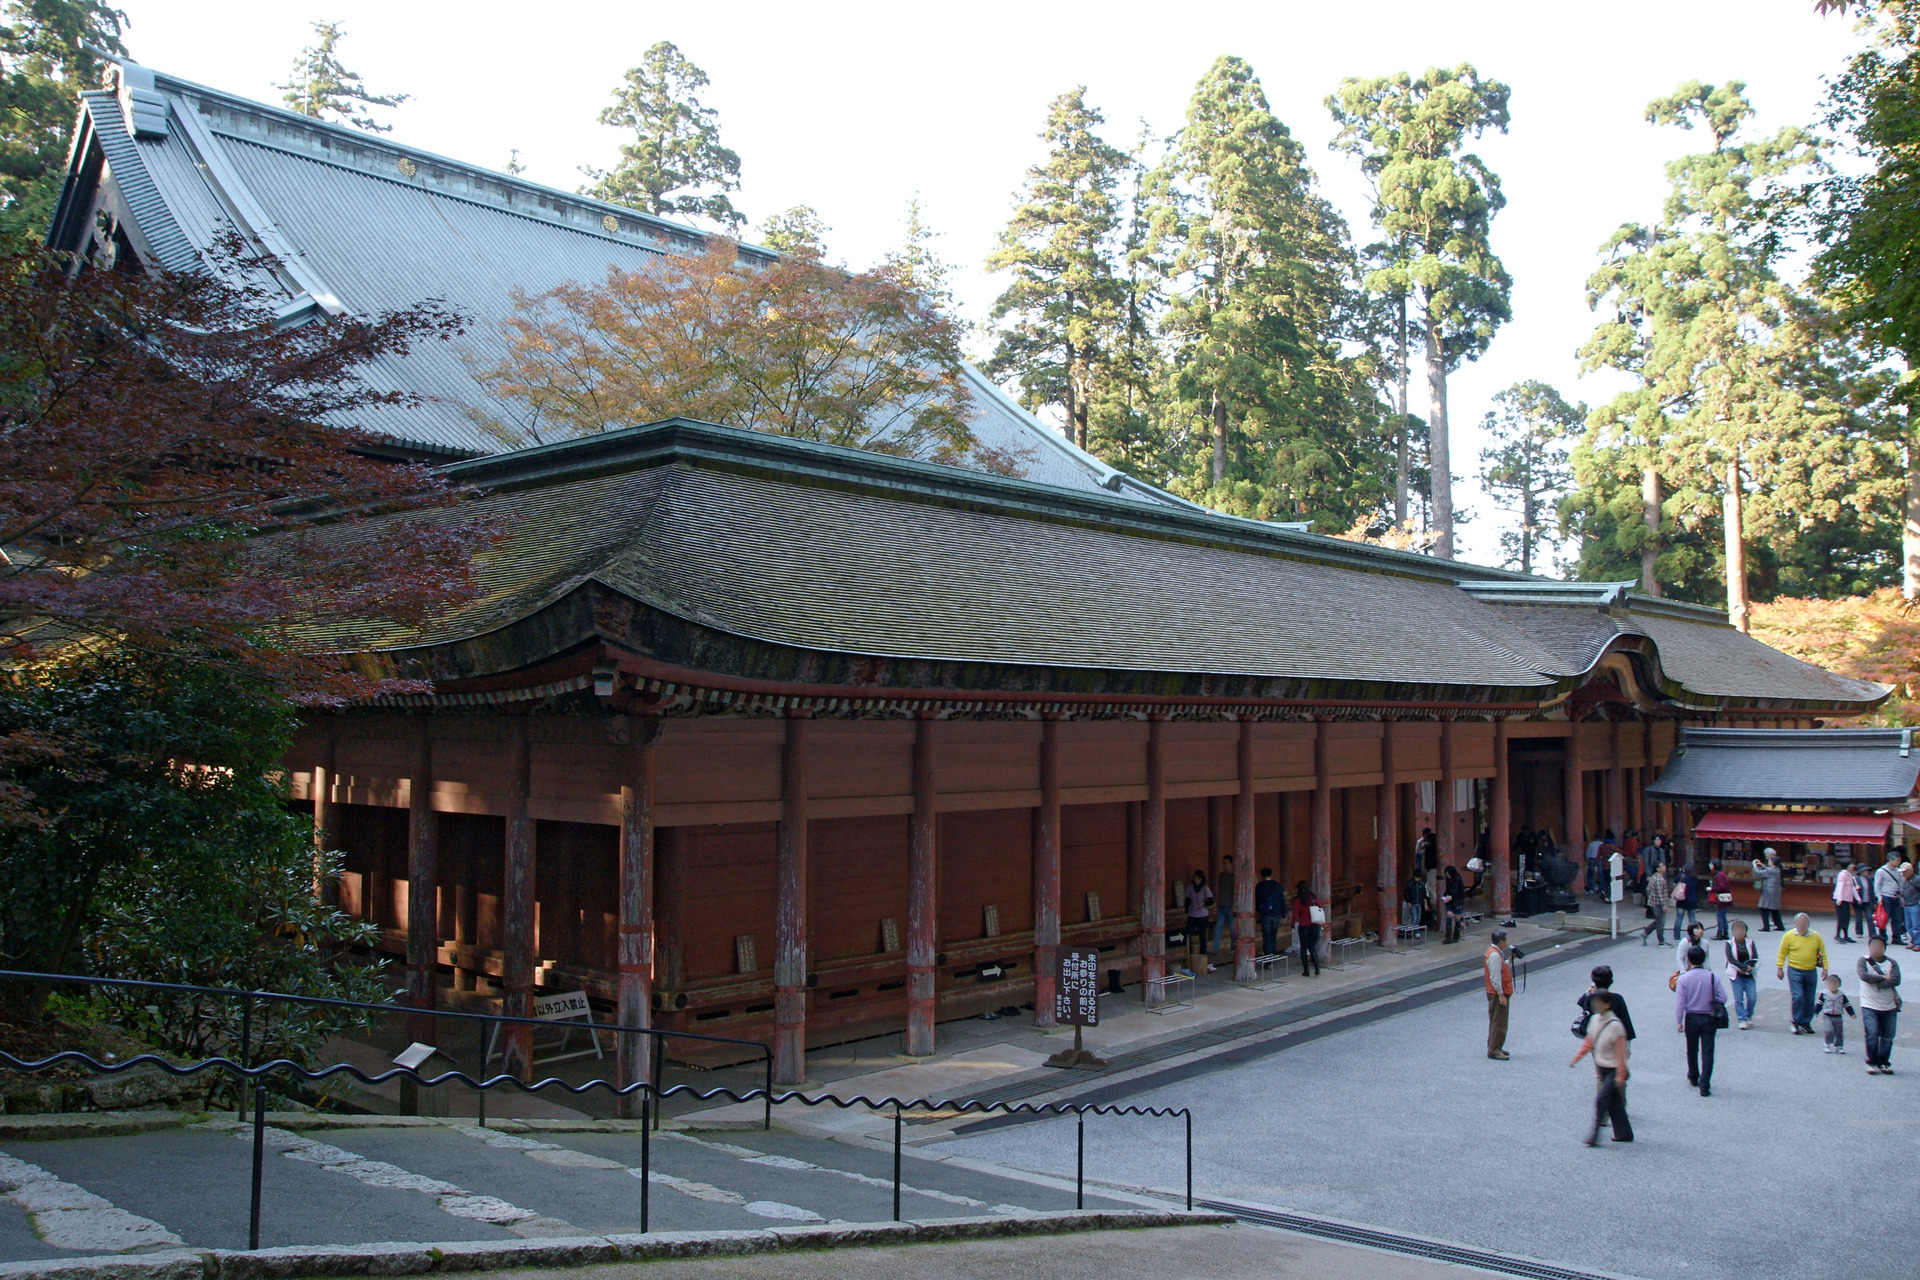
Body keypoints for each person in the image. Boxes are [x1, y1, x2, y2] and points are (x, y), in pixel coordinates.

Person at [1570, 989, 1632, 1145]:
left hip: (1614, 1070)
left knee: (1601, 1100)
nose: (1594, 1005)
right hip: (1602, 1067)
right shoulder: (1595, 1020)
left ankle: (1594, 1134)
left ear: (1608, 1004)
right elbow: (1589, 1042)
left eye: (1598, 1002)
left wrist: (1620, 1075)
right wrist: (1577, 1057)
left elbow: (1620, 1053)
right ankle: (1625, 1133)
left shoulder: (1616, 1026)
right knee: (1614, 1103)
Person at [1674, 944, 1730, 1096]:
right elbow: (1723, 998)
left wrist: (1679, 1021)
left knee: (1692, 1049)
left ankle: (1693, 1075)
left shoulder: (1684, 979)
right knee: (1707, 1050)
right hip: (1708, 1017)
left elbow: (1680, 1003)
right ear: (1704, 959)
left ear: (1689, 960)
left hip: (1691, 1017)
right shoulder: (1712, 977)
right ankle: (1705, 1084)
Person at [1777, 912, 1831, 1035]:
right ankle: (1796, 1021)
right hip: (1795, 970)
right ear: (1795, 924)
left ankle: (1806, 1022)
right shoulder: (1789, 936)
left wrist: (1825, 968)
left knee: (1809, 998)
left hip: (1811, 970)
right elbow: (1782, 953)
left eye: (1805, 923)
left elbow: (1823, 953)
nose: (1802, 926)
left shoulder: (1815, 936)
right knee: (1798, 996)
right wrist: (1779, 968)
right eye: (1800, 923)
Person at [1857, 936, 1902, 1075]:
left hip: (1889, 1005)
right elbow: (1864, 976)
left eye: (1880, 946)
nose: (1876, 948)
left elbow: (1896, 979)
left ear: (1884, 948)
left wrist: (1879, 984)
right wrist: (1883, 978)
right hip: (1869, 1004)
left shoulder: (1891, 963)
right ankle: (1871, 1061)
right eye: (1874, 946)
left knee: (1888, 1037)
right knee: (1872, 1033)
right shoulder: (1863, 961)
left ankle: (1883, 1062)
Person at [1576, 965, 1636, 1043]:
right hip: (1615, 1040)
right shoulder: (1617, 999)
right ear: (1611, 981)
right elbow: (1626, 1023)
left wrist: (1589, 990)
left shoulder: (1589, 998)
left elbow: (1580, 1002)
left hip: (1596, 1040)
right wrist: (1627, 1045)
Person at [1725, 919, 1761, 1030]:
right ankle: (1742, 1019)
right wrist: (1742, 968)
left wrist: (1749, 967)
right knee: (1738, 998)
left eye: (1742, 930)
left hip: (1749, 974)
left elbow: (1754, 957)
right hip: (1736, 974)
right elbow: (1731, 959)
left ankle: (1749, 1014)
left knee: (1752, 997)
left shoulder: (1750, 943)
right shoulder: (1729, 944)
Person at [1484, 928, 1514, 1060]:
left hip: (1495, 992)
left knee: (1497, 1020)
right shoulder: (1495, 955)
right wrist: (1501, 995)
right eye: (1506, 939)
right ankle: (1494, 1049)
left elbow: (1501, 969)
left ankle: (1496, 1046)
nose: (1508, 941)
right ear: (1501, 941)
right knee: (1499, 1022)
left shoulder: (1494, 952)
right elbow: (1495, 978)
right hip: (1497, 993)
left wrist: (1511, 960)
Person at [1813, 973, 1856, 1054]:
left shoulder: (1841, 995)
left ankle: (1839, 1046)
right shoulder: (1824, 994)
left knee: (1839, 1031)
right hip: (1827, 1015)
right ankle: (1827, 1043)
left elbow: (1847, 1005)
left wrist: (1852, 1013)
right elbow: (1819, 1003)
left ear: (1839, 985)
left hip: (1838, 1016)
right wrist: (1816, 1011)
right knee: (1829, 1030)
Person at [1183, 870, 1214, 974]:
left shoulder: (1205, 889)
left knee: (1202, 936)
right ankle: (1189, 955)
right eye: (1195, 878)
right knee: (1188, 934)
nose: (1197, 880)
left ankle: (1202, 956)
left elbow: (1211, 901)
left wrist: (1204, 903)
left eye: (1198, 879)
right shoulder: (1190, 888)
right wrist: (1186, 909)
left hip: (1203, 915)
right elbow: (1187, 900)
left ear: (1201, 879)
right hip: (1192, 914)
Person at [1290, 881, 1322, 977]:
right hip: (1315, 925)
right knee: (1312, 947)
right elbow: (1320, 907)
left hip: (1304, 925)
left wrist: (1292, 925)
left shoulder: (1298, 900)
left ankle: (1306, 971)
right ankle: (1317, 968)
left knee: (1303, 948)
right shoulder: (1313, 898)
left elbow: (1295, 913)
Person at [1873, 852, 1904, 945]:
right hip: (1885, 896)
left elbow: (1901, 884)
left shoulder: (1898, 871)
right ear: (1891, 860)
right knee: (1884, 918)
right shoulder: (1881, 871)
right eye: (1897, 860)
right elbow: (1877, 885)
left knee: (1897, 918)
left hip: (1896, 897)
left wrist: (1901, 895)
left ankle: (1896, 937)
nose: (1899, 862)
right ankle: (1882, 937)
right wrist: (1879, 897)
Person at [1254, 868, 1284, 958]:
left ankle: (1268, 958)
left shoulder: (1259, 886)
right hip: (1276, 914)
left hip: (1265, 914)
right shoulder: (1277, 886)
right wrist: (1284, 914)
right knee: (1273, 936)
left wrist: (1259, 911)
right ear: (1271, 874)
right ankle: (1272, 955)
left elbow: (1257, 901)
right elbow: (1282, 900)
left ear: (1261, 875)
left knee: (1266, 937)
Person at [1753, 849, 1785, 933]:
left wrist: (1755, 866)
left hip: (1768, 891)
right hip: (1775, 891)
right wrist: (1762, 865)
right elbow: (1768, 869)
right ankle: (1779, 925)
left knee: (1763, 907)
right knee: (1774, 909)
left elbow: (1758, 873)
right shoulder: (1777, 869)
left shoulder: (1770, 870)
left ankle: (1766, 926)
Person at [1834, 861, 1862, 944]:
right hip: (1841, 899)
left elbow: (1852, 887)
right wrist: (1839, 898)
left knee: (1847, 917)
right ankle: (1838, 935)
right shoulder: (1842, 874)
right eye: (1851, 864)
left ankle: (1846, 935)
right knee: (1841, 917)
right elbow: (1840, 886)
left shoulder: (1850, 875)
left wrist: (1857, 898)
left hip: (1847, 899)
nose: (1853, 865)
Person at [1642, 863, 1669, 947]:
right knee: (1660, 922)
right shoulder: (1659, 880)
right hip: (1658, 904)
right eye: (1662, 866)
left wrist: (1651, 896)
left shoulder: (1654, 877)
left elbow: (1648, 889)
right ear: (1658, 869)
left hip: (1654, 902)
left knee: (1658, 921)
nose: (1664, 867)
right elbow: (1660, 894)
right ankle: (1661, 941)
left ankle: (1645, 933)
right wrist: (1664, 904)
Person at [1211, 863, 1236, 956]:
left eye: (1226, 863)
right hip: (1221, 906)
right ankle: (1215, 948)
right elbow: (1218, 890)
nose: (1224, 865)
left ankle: (1233, 948)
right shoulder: (1221, 876)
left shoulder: (1234, 877)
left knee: (1232, 929)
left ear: (1230, 864)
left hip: (1230, 906)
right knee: (1218, 928)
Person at [1442, 864, 1466, 944]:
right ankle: (1448, 937)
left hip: (1457, 902)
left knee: (1457, 919)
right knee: (1449, 917)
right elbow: (1448, 890)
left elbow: (1459, 892)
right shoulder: (1448, 880)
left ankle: (1456, 936)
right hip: (1450, 902)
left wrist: (1452, 897)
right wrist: (1445, 896)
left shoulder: (1458, 879)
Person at [1710, 861, 1733, 940]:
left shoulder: (1719, 875)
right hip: (1724, 897)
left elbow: (1721, 886)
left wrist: (1712, 889)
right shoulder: (1722, 873)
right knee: (1723, 916)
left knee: (1720, 915)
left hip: (1721, 898)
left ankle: (1720, 933)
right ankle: (1725, 933)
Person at [1676, 864, 1701, 933]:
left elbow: (1675, 882)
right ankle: (1693, 933)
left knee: (1679, 918)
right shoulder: (1694, 877)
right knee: (1692, 918)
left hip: (1681, 899)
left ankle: (1677, 934)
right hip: (1692, 899)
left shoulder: (1681, 876)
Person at [1900, 863, 1920, 952]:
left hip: (1915, 904)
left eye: (1904, 872)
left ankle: (1918, 943)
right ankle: (1913, 941)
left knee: (1916, 925)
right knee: (1909, 926)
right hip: (1907, 904)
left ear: (1910, 871)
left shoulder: (1917, 879)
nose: (1903, 874)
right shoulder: (1906, 880)